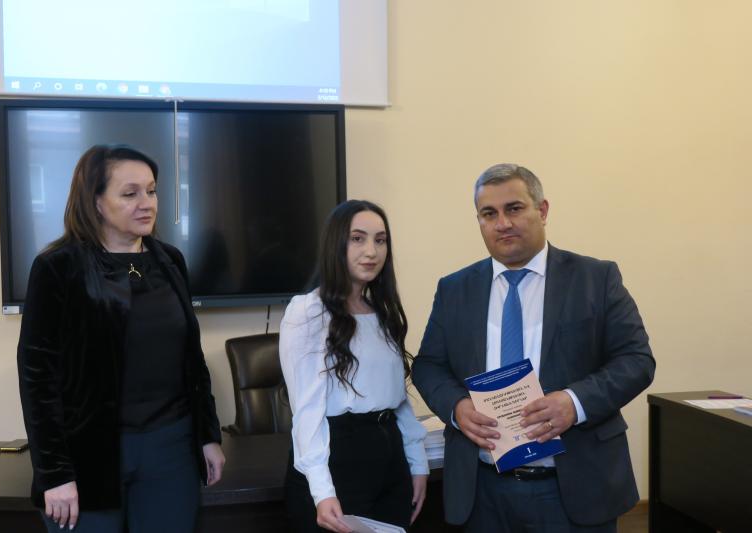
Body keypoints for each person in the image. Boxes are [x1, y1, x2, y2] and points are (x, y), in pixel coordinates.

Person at [411, 164, 655, 532]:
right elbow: (429, 365)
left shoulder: (595, 278)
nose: (502, 223)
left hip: (575, 488)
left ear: (542, 210)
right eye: (489, 214)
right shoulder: (455, 288)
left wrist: (574, 402)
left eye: (514, 208)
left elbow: (636, 360)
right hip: (482, 491)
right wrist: (457, 407)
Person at [17, 145, 225, 533]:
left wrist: (208, 436)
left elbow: (191, 359)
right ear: (96, 202)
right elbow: (37, 379)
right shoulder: (57, 267)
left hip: (171, 448)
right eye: (130, 194)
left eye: (152, 191)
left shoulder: (170, 261)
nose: (147, 203)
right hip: (88, 454)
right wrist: (54, 473)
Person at [279, 200, 430, 532]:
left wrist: (418, 463)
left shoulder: (383, 312)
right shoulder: (308, 312)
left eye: (380, 240)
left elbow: (397, 398)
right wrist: (322, 491)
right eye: (358, 238)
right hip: (337, 461)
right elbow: (307, 411)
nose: (371, 251)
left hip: (389, 459)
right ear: (337, 244)